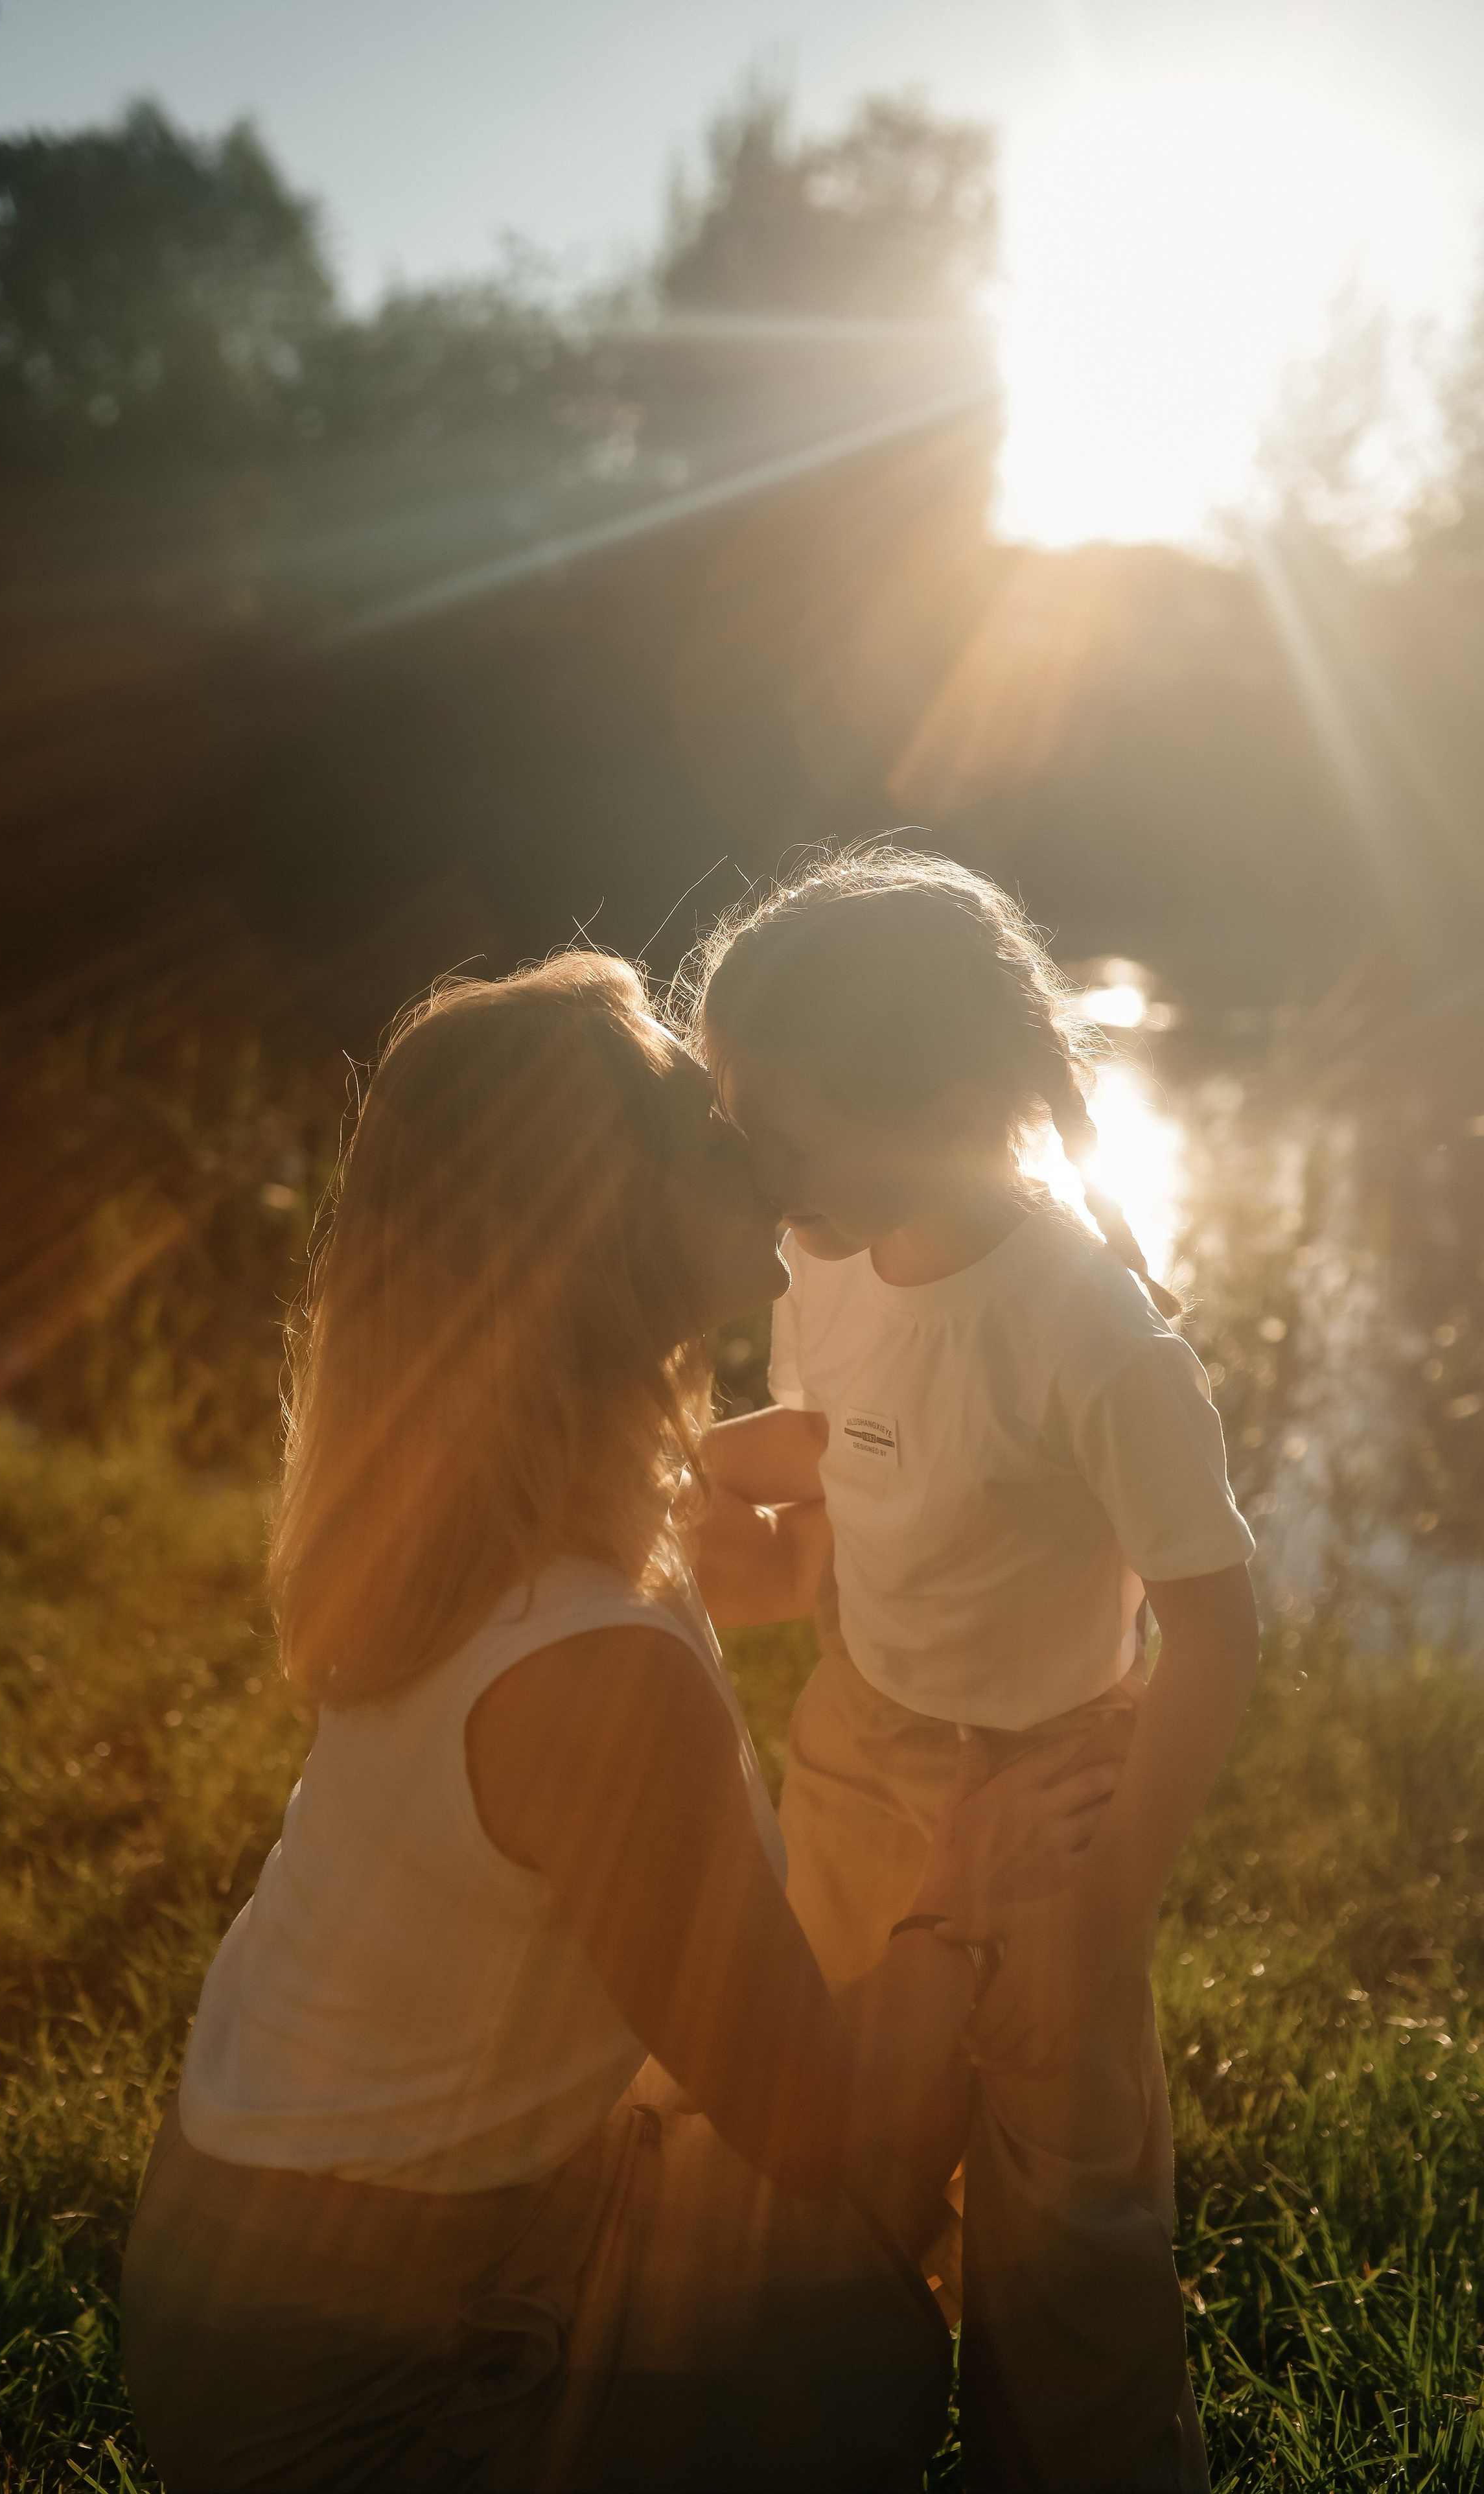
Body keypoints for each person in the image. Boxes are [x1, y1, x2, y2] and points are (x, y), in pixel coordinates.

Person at [119, 953, 1119, 2494]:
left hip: (268, 2271)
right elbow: (812, 2118)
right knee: (857, 2347)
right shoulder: (589, 1671)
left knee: (782, 2243)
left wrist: (1019, 1387)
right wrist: (963, 1895)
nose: (742, 1126)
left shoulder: (515, 1510)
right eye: (687, 1113)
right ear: (591, 1228)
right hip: (343, 2403)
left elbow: (841, 1516)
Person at [685, 846, 1260, 2494]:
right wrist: (712, 1513)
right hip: (856, 1752)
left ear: (950, 1099)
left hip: (1047, 1795)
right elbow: (858, 1475)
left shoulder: (1094, 1333)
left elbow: (1213, 1628)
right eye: (736, 1120)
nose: (749, 1163)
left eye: (781, 1129)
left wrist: (1102, 1907)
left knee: (1058, 2221)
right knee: (844, 2143)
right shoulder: (824, 1253)